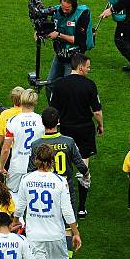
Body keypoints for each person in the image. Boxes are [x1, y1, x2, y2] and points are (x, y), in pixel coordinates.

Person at [27, 106, 89, 259]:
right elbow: (80, 164)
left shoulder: (36, 144)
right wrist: (86, 175)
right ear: (58, 122)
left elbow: (30, 171)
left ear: (42, 123)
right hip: (65, 190)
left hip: (42, 193)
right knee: (68, 231)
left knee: (44, 227)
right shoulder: (68, 141)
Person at [13, 144, 82, 259]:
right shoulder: (59, 181)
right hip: (56, 233)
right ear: (52, 161)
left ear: (36, 159)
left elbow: (20, 206)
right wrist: (75, 232)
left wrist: (15, 221)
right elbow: (67, 210)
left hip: (34, 234)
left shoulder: (26, 179)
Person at [50, 53, 103, 219]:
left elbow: (52, 110)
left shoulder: (58, 85)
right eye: (88, 66)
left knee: (64, 169)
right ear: (80, 67)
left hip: (65, 130)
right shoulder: (89, 85)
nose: (89, 69)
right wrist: (100, 125)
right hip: (84, 131)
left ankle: (62, 206)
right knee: (83, 168)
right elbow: (97, 111)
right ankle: (81, 208)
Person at [44, 0, 94, 99]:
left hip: (74, 58)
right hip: (60, 54)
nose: (64, 11)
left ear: (74, 6)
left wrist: (59, 35)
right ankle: (54, 111)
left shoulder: (82, 14)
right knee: (49, 84)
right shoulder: (57, 11)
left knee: (70, 89)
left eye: (67, 9)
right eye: (63, 7)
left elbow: (78, 40)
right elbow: (50, 26)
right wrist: (40, 32)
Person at [0, 89, 45, 204]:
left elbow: (5, 149)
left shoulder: (13, 121)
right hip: (36, 165)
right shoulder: (41, 120)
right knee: (35, 197)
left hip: (17, 165)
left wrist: (1, 167)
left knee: (12, 197)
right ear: (35, 102)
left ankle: (16, 221)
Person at [0, 86, 25, 156]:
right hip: (23, 147)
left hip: (9, 148)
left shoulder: (4, 114)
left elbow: (1, 134)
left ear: (11, 99)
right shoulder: (27, 113)